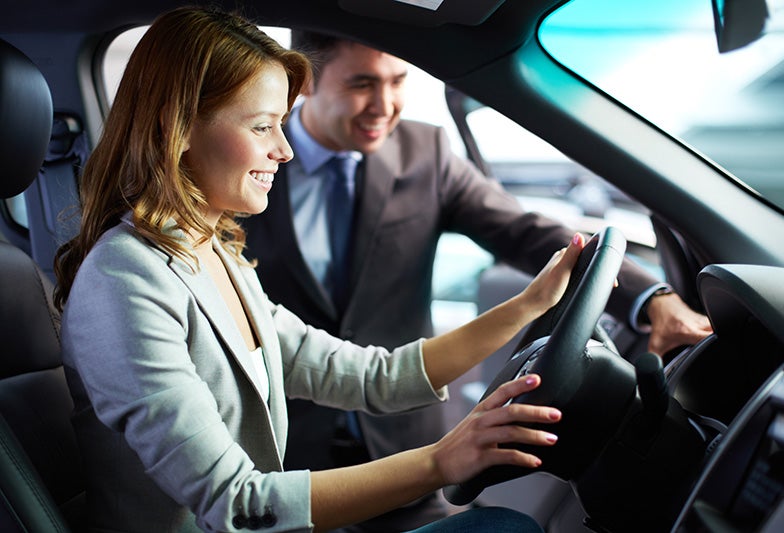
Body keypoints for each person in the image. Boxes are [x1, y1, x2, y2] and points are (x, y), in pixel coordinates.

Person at [53, 7, 588, 533]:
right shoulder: (123, 281)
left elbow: (378, 378)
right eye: (262, 126)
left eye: (280, 125)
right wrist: (440, 461)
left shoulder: (216, 254)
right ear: (180, 128)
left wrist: (532, 304)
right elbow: (237, 503)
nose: (284, 150)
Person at [239, 30, 715, 531]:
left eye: (398, 82)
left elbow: (527, 231)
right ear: (305, 83)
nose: (385, 105)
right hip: (284, 451)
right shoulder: (249, 165)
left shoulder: (427, 151)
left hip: (402, 443)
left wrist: (652, 296)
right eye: (362, 84)